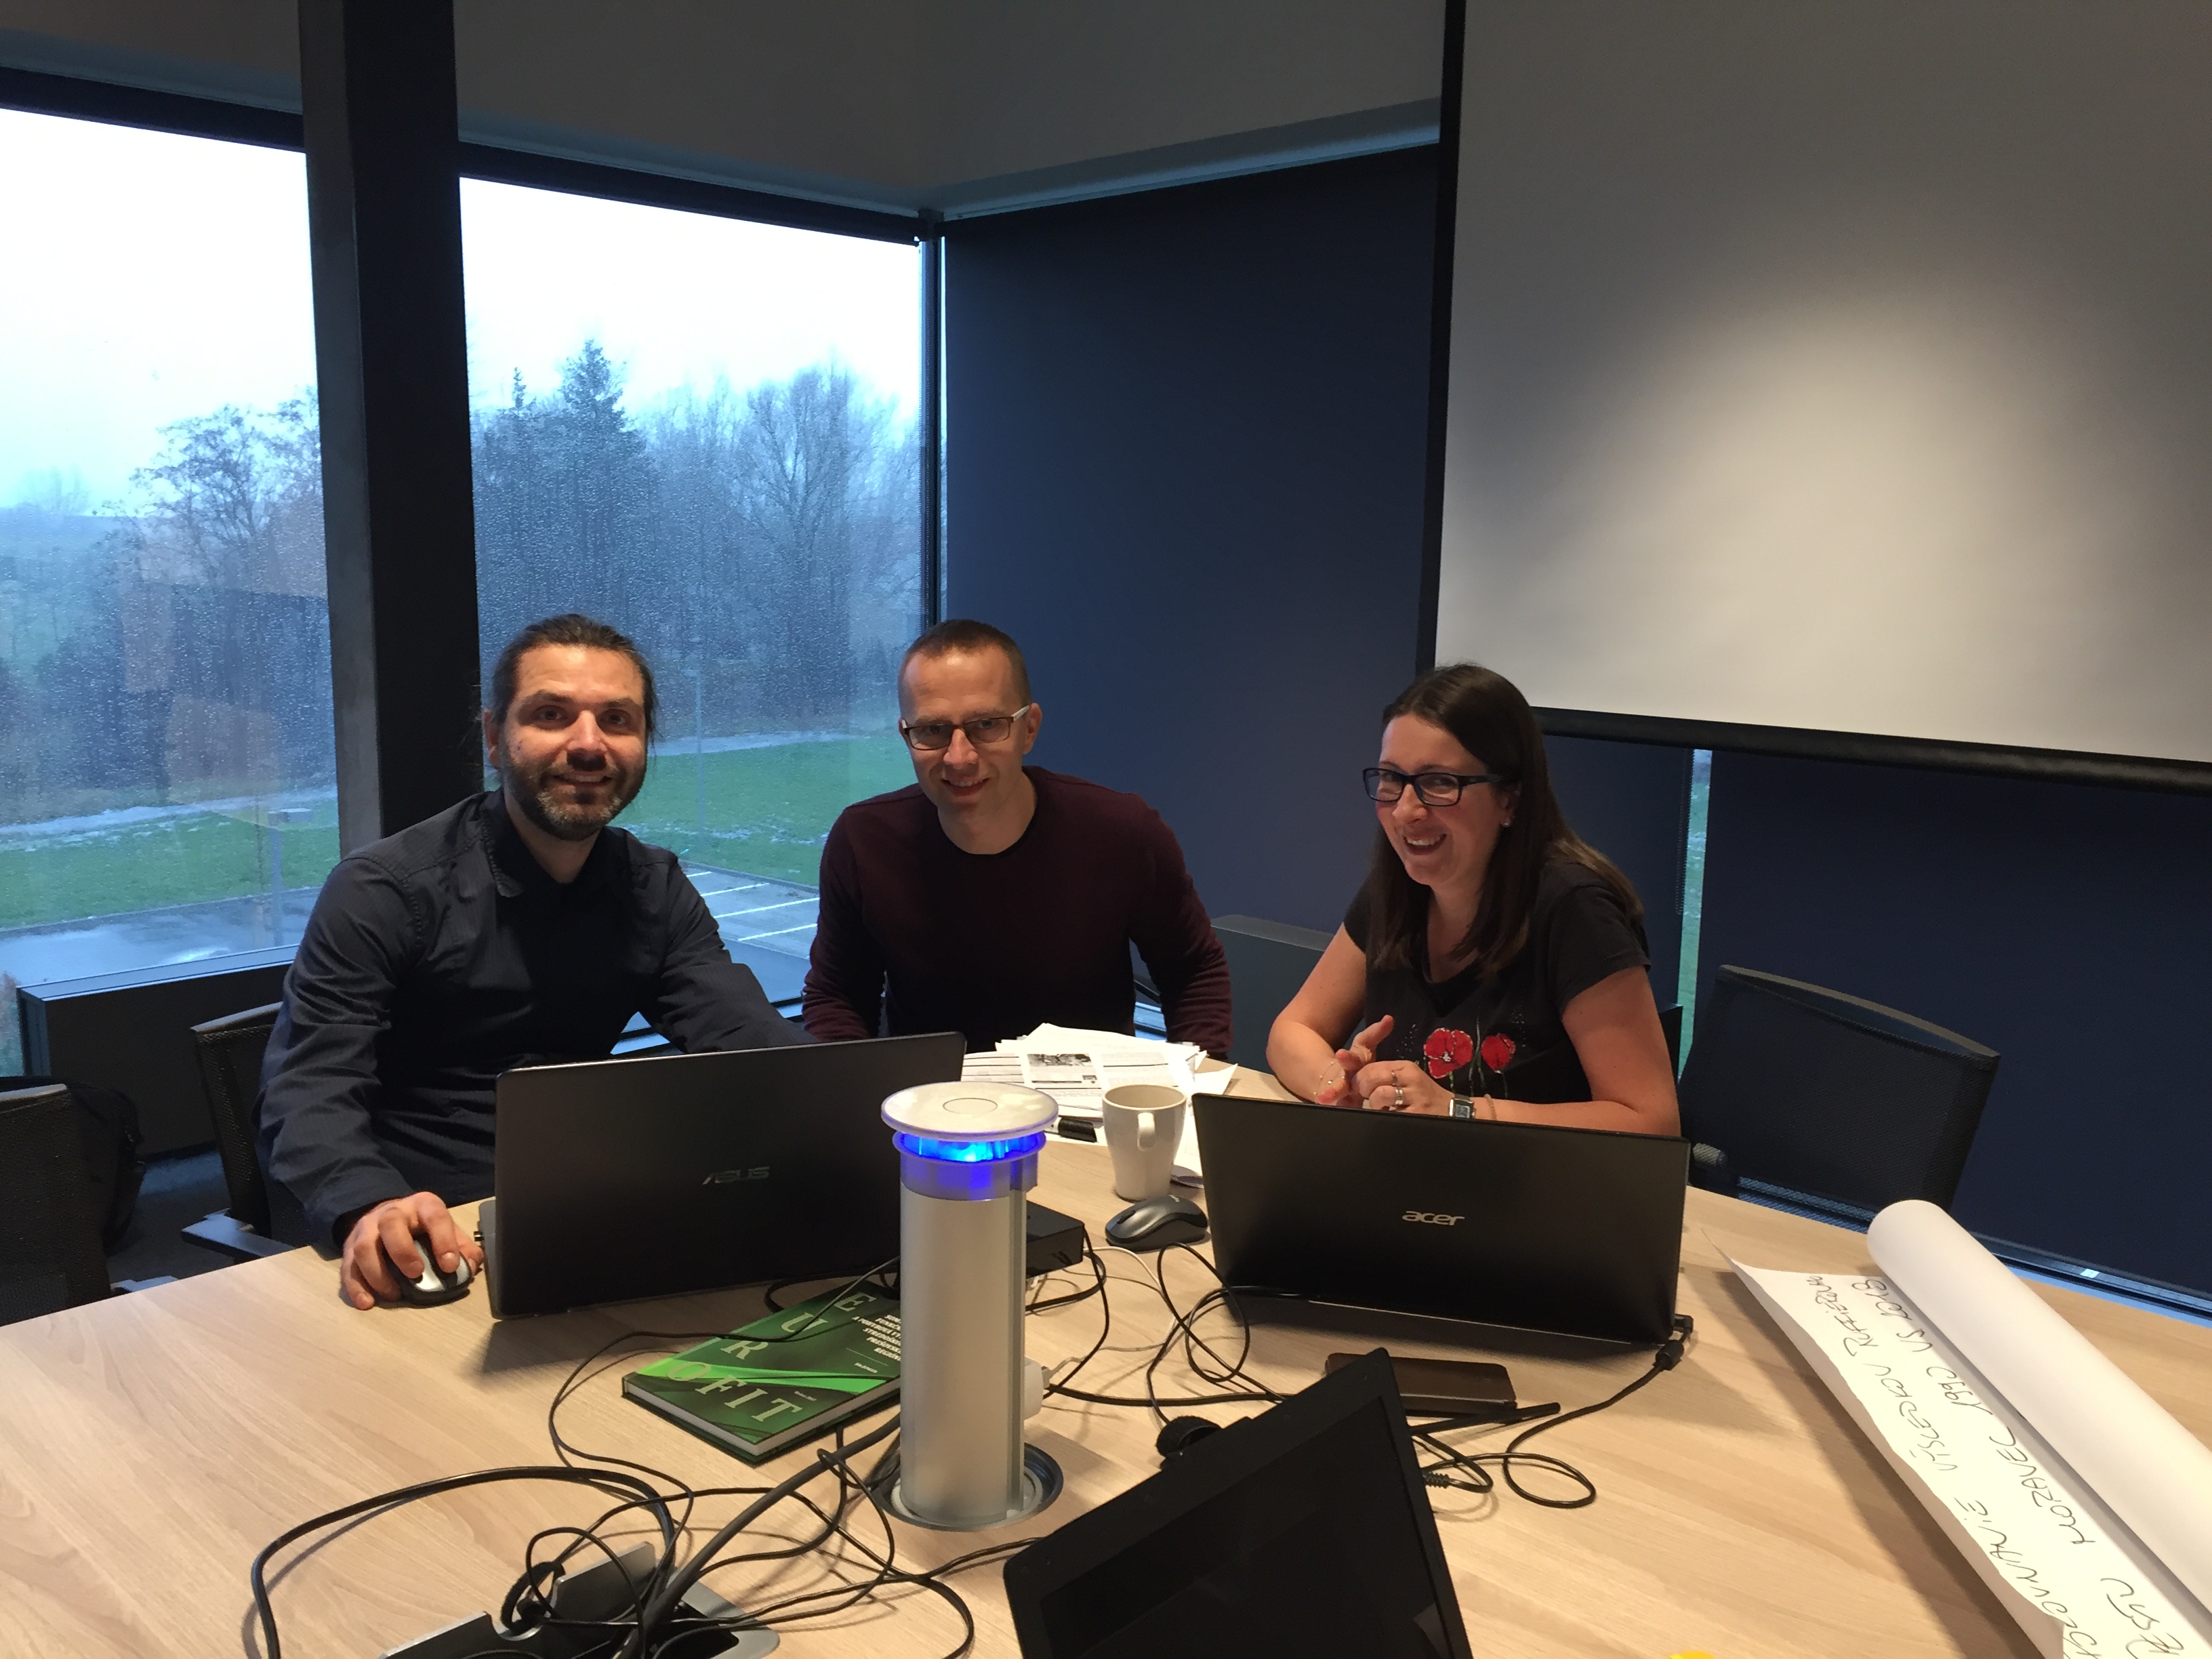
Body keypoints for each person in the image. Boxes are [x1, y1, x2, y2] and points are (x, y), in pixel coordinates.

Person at [260, 613, 806, 1309]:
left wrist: (850, 1114)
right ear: (495, 737)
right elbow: (310, 1084)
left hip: (582, 1212)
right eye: (552, 715)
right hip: (426, 1223)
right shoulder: (386, 890)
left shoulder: (653, 887)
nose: (589, 744)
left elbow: (748, 1039)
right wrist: (369, 1204)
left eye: (617, 720)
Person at [1268, 663, 1679, 1133]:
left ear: (1510, 799)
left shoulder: (1577, 909)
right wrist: (1340, 1086)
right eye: (1391, 779)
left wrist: (1456, 1111)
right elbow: (1293, 1030)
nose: (1406, 811)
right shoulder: (1395, 890)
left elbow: (1651, 1121)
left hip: (1540, 1177)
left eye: (1440, 783)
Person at [802, 619, 1233, 1055]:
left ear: (1029, 729)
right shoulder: (864, 841)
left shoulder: (1122, 832)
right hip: (929, 1092)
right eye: (932, 730)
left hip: (1091, 1092)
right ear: (906, 735)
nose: (959, 757)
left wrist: (1195, 1080)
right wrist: (850, 1083)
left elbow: (1193, 971)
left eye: (987, 724)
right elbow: (837, 994)